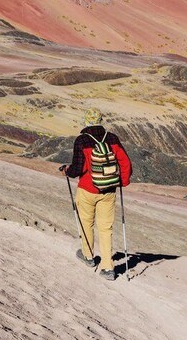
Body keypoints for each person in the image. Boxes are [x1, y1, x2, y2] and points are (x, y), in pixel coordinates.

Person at [60, 108, 132, 280]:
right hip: (109, 190)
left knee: (86, 223)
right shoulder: (112, 138)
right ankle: (108, 268)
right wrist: (122, 181)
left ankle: (88, 256)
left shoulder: (82, 140)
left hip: (87, 189)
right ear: (100, 120)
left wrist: (67, 171)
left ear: (85, 121)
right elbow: (125, 162)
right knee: (105, 228)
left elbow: (79, 168)